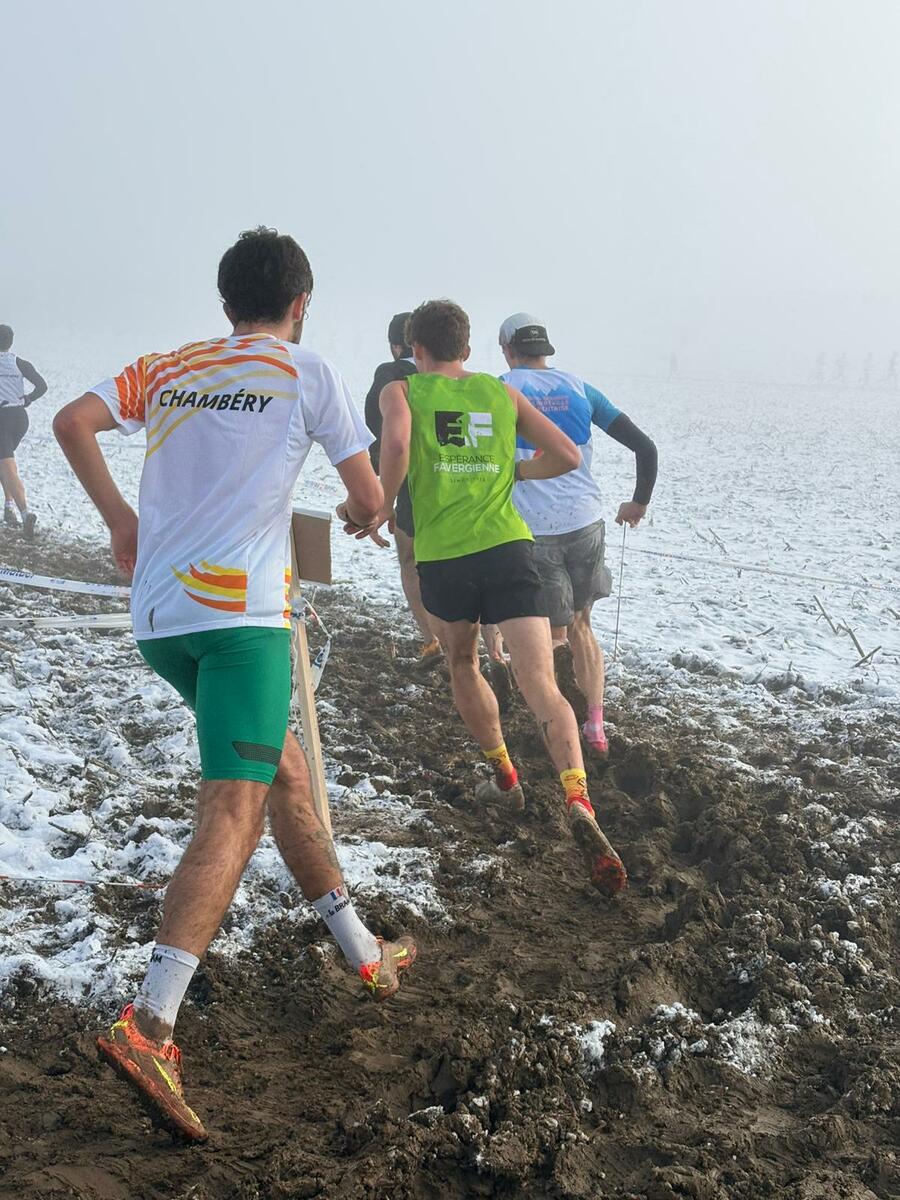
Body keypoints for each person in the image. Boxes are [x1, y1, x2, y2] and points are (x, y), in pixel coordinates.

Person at [53, 228, 416, 1144]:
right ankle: (150, 1025)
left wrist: (121, 520)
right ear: (302, 303)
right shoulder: (305, 370)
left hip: (161, 622)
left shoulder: (169, 366)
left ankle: (364, 953)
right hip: (243, 625)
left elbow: (70, 422)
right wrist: (359, 510)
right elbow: (370, 499)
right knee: (233, 808)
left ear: (226, 306)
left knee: (284, 774)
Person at [363, 299, 627, 901]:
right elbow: (566, 455)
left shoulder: (402, 391)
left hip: (445, 556)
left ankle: (505, 776)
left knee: (463, 662)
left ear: (415, 347)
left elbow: (396, 448)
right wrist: (512, 474)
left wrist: (382, 504)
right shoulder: (499, 393)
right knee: (541, 682)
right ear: (467, 347)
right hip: (510, 548)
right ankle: (578, 798)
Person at [499, 313, 658, 757]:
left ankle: (557, 727)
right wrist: (638, 502)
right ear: (545, 349)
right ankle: (595, 724)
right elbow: (645, 447)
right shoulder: (581, 389)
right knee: (582, 624)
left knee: (551, 634)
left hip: (534, 528)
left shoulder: (501, 389)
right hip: (587, 522)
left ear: (508, 350)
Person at [364, 313, 439, 664]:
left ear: (397, 347)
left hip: (410, 481)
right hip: (454, 479)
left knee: (410, 560)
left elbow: (379, 431)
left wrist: (383, 494)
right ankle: (494, 649)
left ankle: (432, 641)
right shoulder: (450, 378)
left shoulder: (390, 374)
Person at [0, 325, 47, 539]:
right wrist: (28, 398)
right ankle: (8, 506)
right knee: (5, 462)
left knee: (7, 467)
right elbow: (42, 386)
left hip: (2, 419)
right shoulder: (20, 363)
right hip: (19, 418)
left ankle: (25, 513)